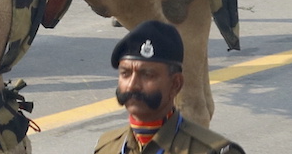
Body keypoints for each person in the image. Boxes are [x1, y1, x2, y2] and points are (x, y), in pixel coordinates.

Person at [94, 21, 244, 154]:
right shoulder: (108, 147)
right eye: (125, 73)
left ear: (175, 84)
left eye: (147, 75)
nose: (133, 85)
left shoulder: (210, 150)